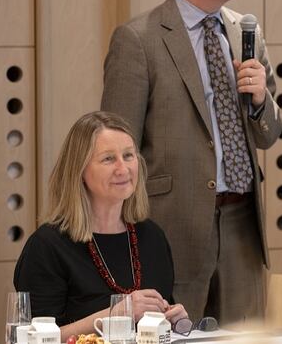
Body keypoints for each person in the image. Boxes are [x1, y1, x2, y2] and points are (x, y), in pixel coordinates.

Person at [101, 0, 282, 323]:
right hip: (170, 225)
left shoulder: (244, 31)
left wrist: (259, 101)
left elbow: (269, 134)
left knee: (244, 336)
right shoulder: (139, 38)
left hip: (242, 224)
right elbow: (115, 145)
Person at [13, 112, 188, 337]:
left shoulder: (152, 236)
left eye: (128, 156)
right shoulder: (47, 246)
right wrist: (116, 315)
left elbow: (155, 326)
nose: (123, 169)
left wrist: (172, 319)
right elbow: (32, 339)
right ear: (80, 171)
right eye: (108, 159)